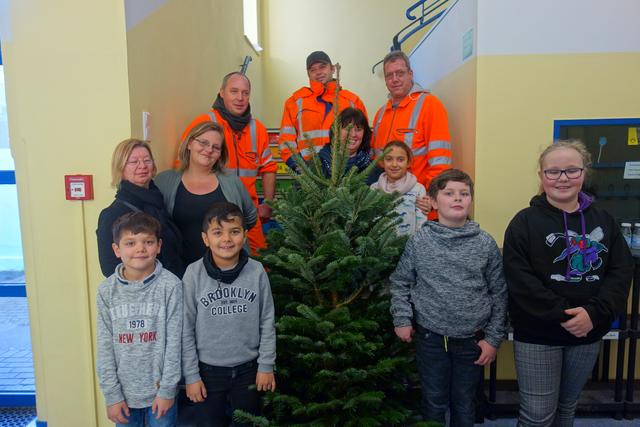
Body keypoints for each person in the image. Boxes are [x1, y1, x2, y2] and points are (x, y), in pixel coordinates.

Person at [503, 140, 633, 427]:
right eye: (553, 172)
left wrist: (592, 314)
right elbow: (520, 280)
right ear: (541, 176)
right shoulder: (523, 223)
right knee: (537, 415)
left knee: (566, 408)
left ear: (584, 173)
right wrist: (565, 314)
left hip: (587, 331)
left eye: (571, 170)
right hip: (538, 334)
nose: (562, 178)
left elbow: (621, 272)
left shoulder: (605, 221)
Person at [390, 169, 507, 426]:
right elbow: (400, 282)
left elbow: (499, 292)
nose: (457, 198)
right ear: (433, 201)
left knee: (464, 402)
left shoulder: (485, 244)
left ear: (470, 200)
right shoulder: (420, 241)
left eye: (464, 194)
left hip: (472, 340)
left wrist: (493, 339)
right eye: (449, 193)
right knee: (433, 400)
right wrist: (402, 319)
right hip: (430, 337)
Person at [182, 202, 276, 426]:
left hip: (249, 370)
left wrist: (266, 366)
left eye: (234, 232)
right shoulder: (193, 274)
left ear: (244, 236)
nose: (226, 239)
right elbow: (185, 328)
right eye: (217, 232)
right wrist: (191, 376)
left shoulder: (256, 271)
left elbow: (267, 321)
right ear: (205, 238)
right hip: (207, 372)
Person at [96, 212, 183, 427]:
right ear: (117, 249)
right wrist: (112, 395)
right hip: (123, 396)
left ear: (159, 246)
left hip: (160, 393)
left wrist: (167, 390)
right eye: (130, 243)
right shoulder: (106, 291)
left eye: (148, 242)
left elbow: (174, 343)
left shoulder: (171, 286)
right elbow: (104, 347)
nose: (140, 249)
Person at [182, 72, 277, 254]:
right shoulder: (204, 123)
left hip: (249, 214)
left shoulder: (258, 129)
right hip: (214, 217)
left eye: (245, 93)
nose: (240, 98)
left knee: (259, 265)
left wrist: (269, 203)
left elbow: (269, 168)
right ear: (221, 92)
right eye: (234, 91)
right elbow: (184, 166)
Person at [155, 121, 257, 266]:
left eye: (216, 147)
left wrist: (229, 240)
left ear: (220, 154)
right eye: (203, 143)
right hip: (181, 270)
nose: (209, 150)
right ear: (190, 143)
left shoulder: (231, 181)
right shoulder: (164, 181)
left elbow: (249, 218)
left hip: (228, 270)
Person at [97, 139, 185, 278]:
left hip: (174, 287)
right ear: (120, 168)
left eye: (147, 160)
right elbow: (110, 268)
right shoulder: (112, 214)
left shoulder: (159, 204)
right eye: (133, 162)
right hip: (147, 295)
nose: (142, 166)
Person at [371, 50, 451, 193]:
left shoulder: (430, 105)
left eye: (400, 73)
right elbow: (376, 163)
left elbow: (440, 162)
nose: (395, 79)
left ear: (410, 74)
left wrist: (430, 196)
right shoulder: (380, 114)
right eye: (389, 75)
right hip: (385, 203)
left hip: (419, 201)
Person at [278, 50, 367, 171]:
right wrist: (300, 169)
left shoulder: (352, 101)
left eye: (322, 67)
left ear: (332, 69)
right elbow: (286, 141)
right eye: (312, 70)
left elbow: (364, 137)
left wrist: (356, 168)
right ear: (308, 74)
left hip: (346, 174)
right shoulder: (294, 102)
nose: (318, 72)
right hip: (308, 176)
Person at [370, 140, 426, 235]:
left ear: (408, 163)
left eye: (400, 160)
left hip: (410, 246)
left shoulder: (418, 189)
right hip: (379, 246)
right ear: (382, 162)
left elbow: (421, 222)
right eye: (389, 159)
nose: (394, 164)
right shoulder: (374, 188)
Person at [317, 107, 380, 185]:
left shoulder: (374, 171)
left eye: (358, 129)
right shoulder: (317, 164)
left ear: (365, 134)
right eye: (347, 128)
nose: (353, 134)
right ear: (336, 131)